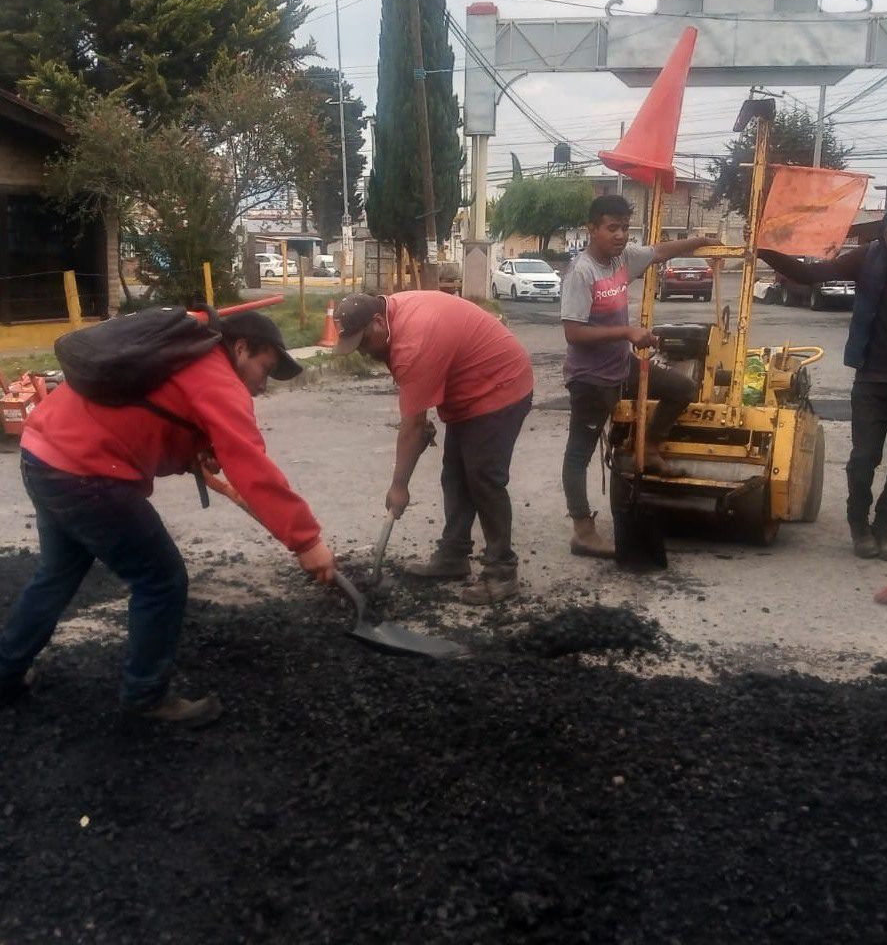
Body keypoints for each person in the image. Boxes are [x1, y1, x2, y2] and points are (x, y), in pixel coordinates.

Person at [0, 311, 336, 727]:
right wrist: (306, 541)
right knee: (161, 580)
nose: (262, 383)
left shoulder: (182, 356)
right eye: (264, 368)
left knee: (58, 572)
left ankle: (6, 672)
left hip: (42, 452)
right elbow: (252, 466)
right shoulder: (216, 376)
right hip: (88, 475)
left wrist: (192, 449)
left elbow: (149, 414)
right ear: (241, 348)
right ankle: (145, 695)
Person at [759, 187, 887, 562]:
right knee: (863, 458)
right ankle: (858, 526)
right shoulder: (867, 258)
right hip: (872, 380)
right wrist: (763, 247)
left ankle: (884, 527)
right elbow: (810, 273)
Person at [334, 291, 533, 605]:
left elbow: (411, 427)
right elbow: (416, 409)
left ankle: (502, 571)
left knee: (483, 477)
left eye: (363, 342)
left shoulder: (413, 339)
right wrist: (419, 420)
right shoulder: (390, 319)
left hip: (500, 385)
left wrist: (399, 486)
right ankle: (453, 555)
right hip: (468, 388)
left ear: (377, 322)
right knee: (454, 474)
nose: (362, 351)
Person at [560, 194, 718, 558]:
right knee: (578, 456)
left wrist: (698, 242)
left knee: (682, 387)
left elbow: (660, 251)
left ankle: (650, 445)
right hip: (590, 378)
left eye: (625, 228)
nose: (620, 235)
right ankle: (583, 530)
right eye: (612, 228)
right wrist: (627, 333)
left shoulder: (622, 259)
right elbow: (573, 333)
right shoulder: (581, 272)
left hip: (621, 366)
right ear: (592, 229)